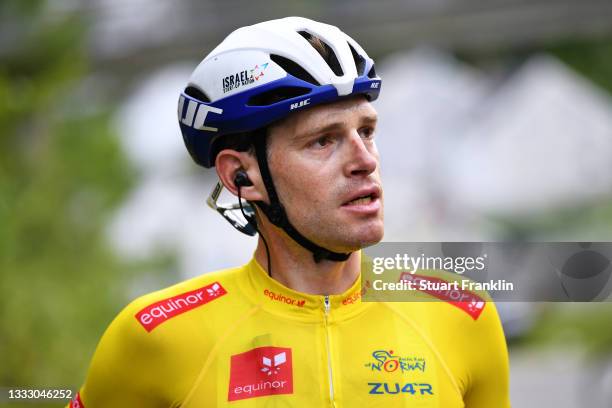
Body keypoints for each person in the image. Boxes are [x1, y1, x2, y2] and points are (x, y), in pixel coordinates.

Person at [70, 17, 510, 407]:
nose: (365, 160)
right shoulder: (155, 336)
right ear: (242, 176)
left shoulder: (462, 314)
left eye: (367, 131)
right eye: (323, 140)